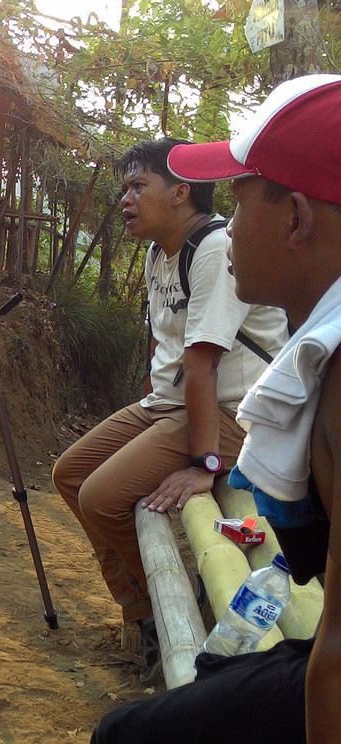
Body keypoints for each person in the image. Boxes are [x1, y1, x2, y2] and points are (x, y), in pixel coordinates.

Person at [92, 73, 341, 743]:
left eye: (238, 202)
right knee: (203, 681)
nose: (226, 227)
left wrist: (206, 461)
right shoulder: (317, 352)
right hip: (314, 644)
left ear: (296, 219)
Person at [51, 137, 289, 683]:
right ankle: (141, 611)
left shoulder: (215, 250)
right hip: (169, 405)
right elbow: (167, 348)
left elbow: (202, 364)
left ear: (181, 192)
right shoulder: (161, 254)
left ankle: (180, 611)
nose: (126, 199)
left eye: (139, 186)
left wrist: (205, 465)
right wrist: (147, 410)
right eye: (124, 188)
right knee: (70, 474)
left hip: (230, 412)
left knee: (101, 496)